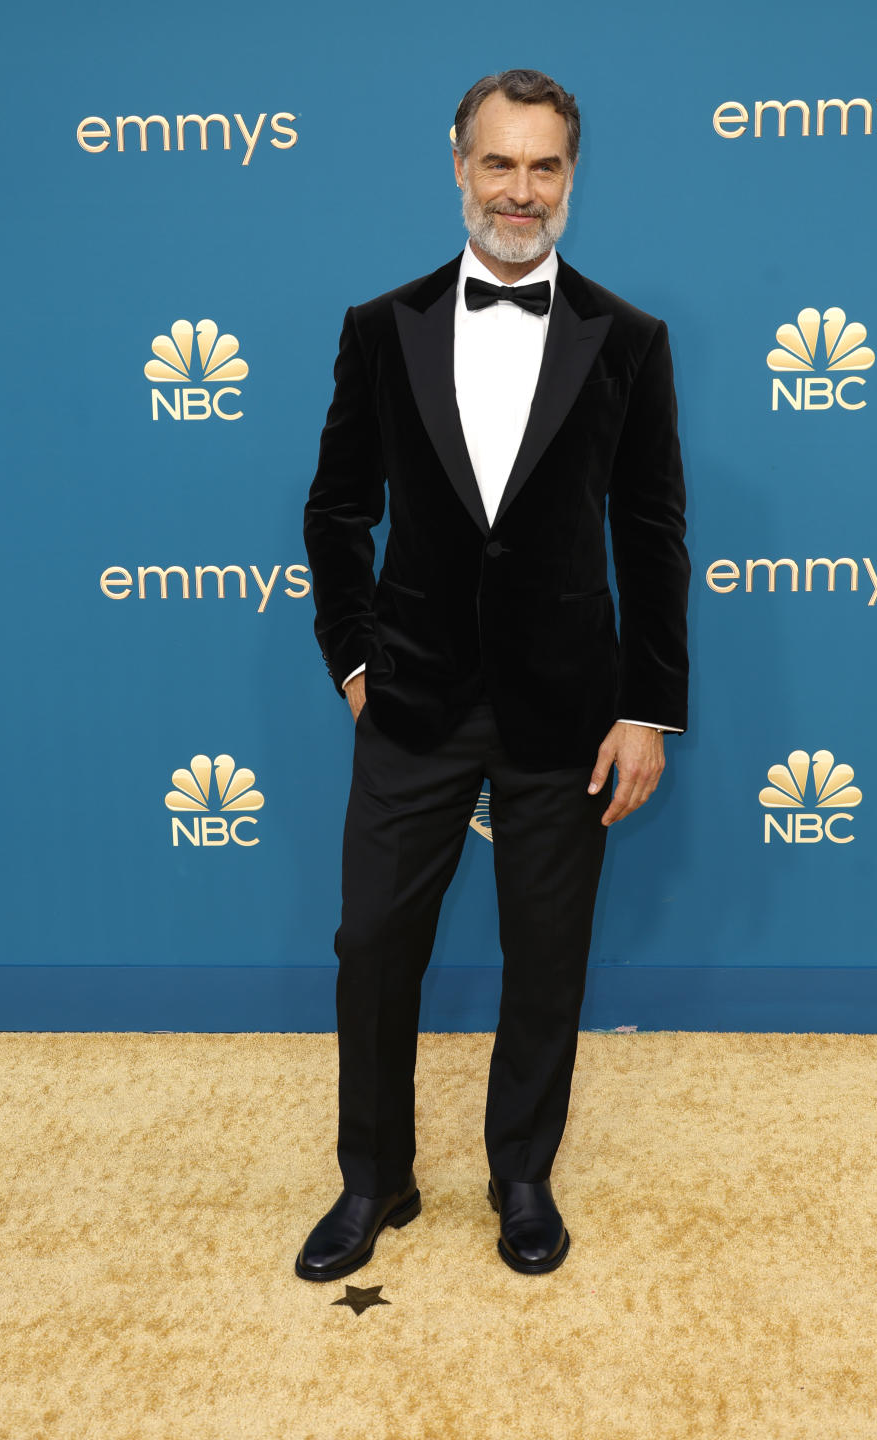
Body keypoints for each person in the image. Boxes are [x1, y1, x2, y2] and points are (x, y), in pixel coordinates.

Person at [296, 68, 689, 1281]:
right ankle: (375, 1181)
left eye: (545, 166)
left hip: (568, 707)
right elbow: (335, 512)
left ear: (573, 175)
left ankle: (522, 1172)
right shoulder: (381, 326)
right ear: (457, 164)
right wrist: (357, 660)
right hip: (412, 697)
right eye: (499, 163)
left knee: (549, 948)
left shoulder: (629, 340)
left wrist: (647, 708)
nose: (521, 191)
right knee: (372, 948)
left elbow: (653, 532)